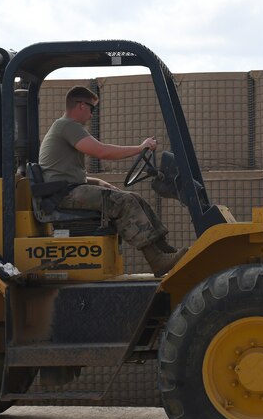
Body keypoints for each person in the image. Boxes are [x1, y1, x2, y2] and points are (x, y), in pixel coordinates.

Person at [38, 85, 186, 276]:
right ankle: (156, 260)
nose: (92, 115)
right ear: (81, 106)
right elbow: (101, 151)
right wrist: (139, 148)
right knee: (123, 202)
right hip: (63, 195)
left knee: (133, 196)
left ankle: (164, 251)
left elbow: (65, 174)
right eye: (92, 109)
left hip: (67, 190)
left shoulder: (64, 127)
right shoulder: (68, 126)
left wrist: (98, 182)